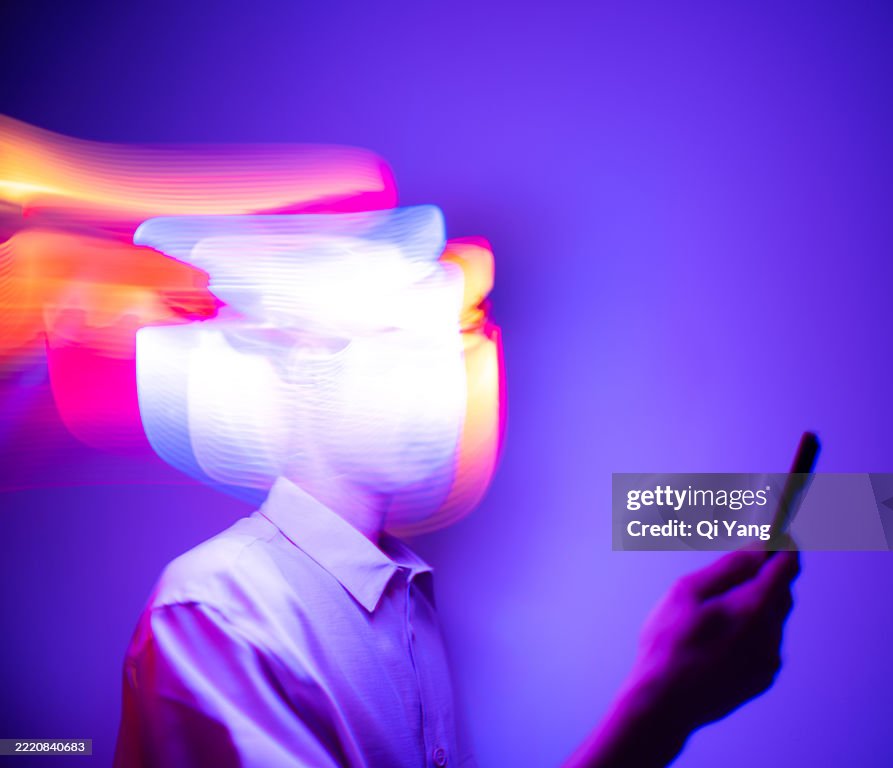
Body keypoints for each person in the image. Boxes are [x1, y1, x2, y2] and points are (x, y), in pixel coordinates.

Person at [114, 207, 799, 767]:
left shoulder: (407, 605)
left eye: (456, 329)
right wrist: (662, 705)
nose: (443, 361)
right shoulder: (215, 614)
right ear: (302, 364)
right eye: (396, 330)